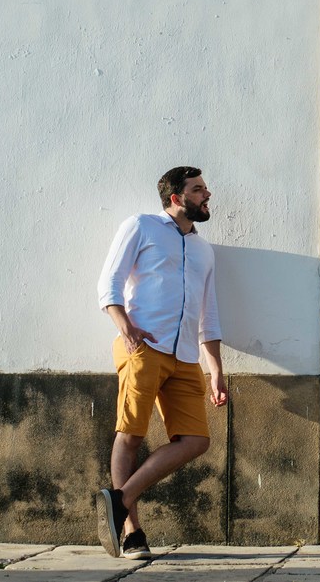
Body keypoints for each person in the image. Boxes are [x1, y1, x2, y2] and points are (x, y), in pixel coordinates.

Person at [94, 166, 228, 558]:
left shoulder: (204, 249)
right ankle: (132, 531)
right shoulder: (142, 226)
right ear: (176, 197)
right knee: (131, 434)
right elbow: (109, 282)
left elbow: (210, 314)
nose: (207, 195)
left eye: (206, 189)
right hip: (144, 347)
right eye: (199, 189)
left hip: (185, 356)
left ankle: (119, 500)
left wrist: (215, 368)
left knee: (196, 440)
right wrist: (126, 327)